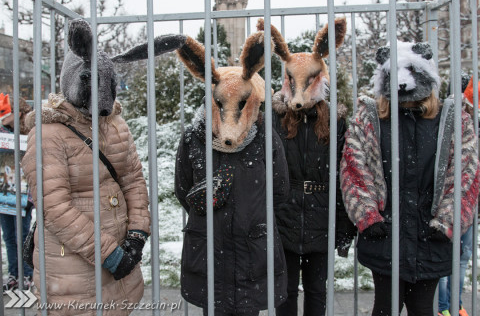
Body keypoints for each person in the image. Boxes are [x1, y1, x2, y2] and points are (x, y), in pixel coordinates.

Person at [22, 19, 185, 315]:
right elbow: (54, 206)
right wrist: (108, 253)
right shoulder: (48, 134)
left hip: (121, 261)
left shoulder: (116, 126)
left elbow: (133, 180)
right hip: (73, 269)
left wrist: (137, 233)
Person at [340, 41, 479, 316]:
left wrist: (447, 220)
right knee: (385, 308)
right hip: (384, 235)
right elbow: (354, 168)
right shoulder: (369, 119)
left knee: (421, 308)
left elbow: (466, 173)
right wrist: (368, 217)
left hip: (430, 236)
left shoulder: (452, 121)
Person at [175, 32, 290, 316]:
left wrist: (251, 218)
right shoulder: (194, 138)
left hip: (251, 252)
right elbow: (184, 190)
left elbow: (279, 189)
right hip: (209, 251)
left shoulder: (265, 136)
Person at [257, 18, 356, 316]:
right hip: (283, 216)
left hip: (321, 217)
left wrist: (343, 225)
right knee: (283, 292)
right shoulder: (273, 120)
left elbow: (344, 175)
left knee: (317, 292)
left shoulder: (336, 122)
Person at [438, 75, 480, 316]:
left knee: (461, 257)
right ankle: (444, 306)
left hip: (469, 203)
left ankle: (455, 304)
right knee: (448, 257)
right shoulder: (447, 122)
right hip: (450, 202)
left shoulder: (474, 122)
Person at [0, 93, 34, 291]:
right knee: (9, 236)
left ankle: (27, 274)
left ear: (18, 113)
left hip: (23, 195)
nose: (2, 116)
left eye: (6, 112)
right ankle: (14, 274)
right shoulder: (2, 132)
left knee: (22, 236)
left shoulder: (30, 134)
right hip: (5, 193)